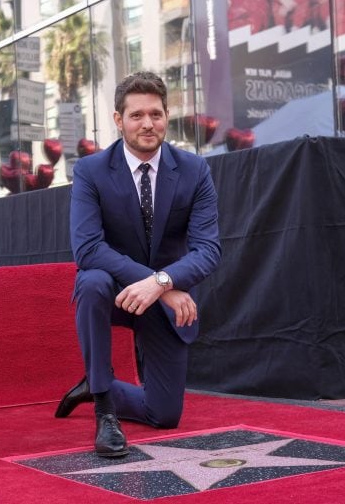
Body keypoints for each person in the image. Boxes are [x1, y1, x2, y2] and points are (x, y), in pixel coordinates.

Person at [55, 72, 221, 457]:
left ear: (166, 115)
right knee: (92, 281)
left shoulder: (194, 171)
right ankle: (105, 410)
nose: (148, 124)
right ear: (119, 120)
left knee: (165, 414)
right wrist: (159, 284)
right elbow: (88, 248)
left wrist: (161, 283)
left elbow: (209, 249)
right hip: (116, 289)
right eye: (137, 116)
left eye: (156, 114)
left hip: (162, 298)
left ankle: (96, 383)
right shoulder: (91, 171)